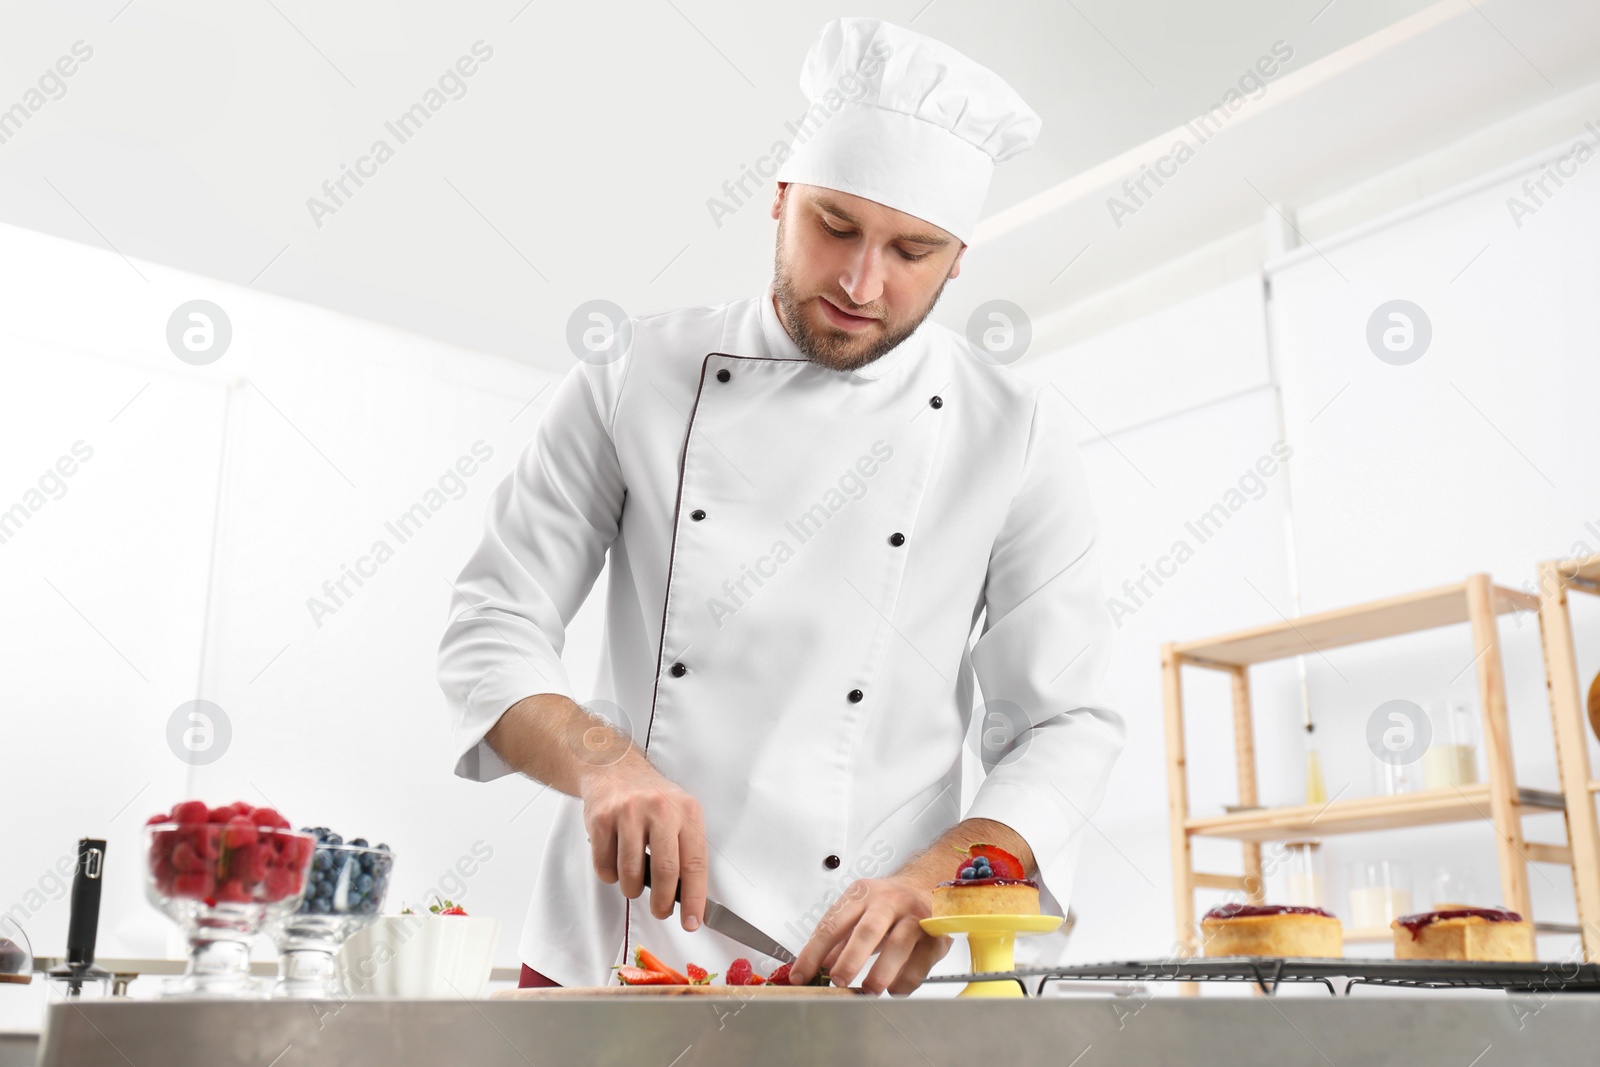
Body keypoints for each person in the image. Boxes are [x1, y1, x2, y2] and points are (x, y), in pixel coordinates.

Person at [437, 15, 1124, 994]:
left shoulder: (1009, 427)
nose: (858, 281)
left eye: (911, 250)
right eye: (833, 226)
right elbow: (491, 624)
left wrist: (945, 876)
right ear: (779, 197)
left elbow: (1066, 719)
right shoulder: (635, 372)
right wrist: (605, 763)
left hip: (866, 962)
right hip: (611, 952)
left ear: (960, 259)